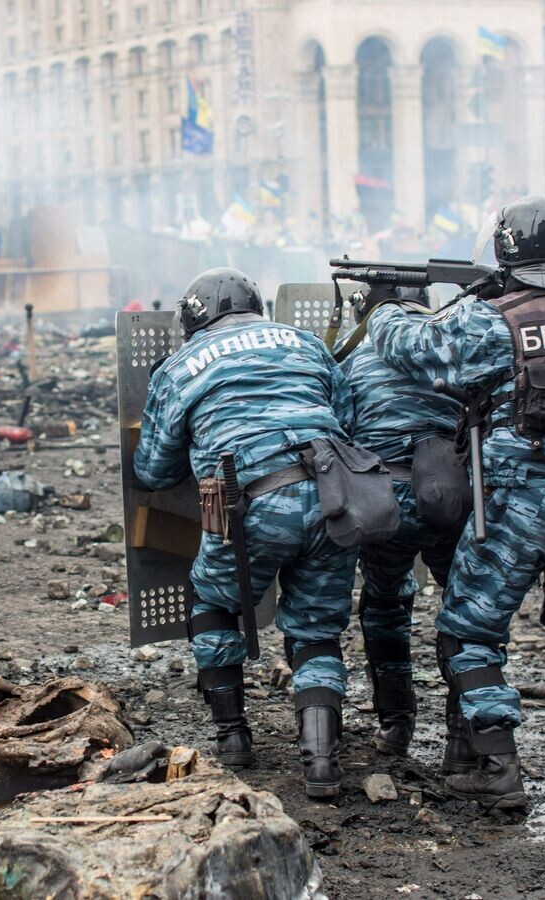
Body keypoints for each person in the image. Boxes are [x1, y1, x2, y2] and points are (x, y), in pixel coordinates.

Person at [364, 196, 545, 809]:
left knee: (470, 630)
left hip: (517, 499)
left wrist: (383, 308)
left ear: (507, 250)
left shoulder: (494, 320)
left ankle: (496, 766)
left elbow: (414, 348)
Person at [132, 267, 356, 799]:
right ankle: (321, 762)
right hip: (334, 496)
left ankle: (234, 739)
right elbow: (344, 419)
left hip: (249, 505)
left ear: (194, 318)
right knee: (317, 629)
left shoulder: (182, 364)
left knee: (212, 603)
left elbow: (153, 470)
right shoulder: (305, 344)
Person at [339, 286, 467, 761]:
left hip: (383, 499)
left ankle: (396, 724)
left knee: (385, 602)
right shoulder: (447, 353)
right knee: (466, 611)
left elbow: (340, 432)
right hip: (449, 497)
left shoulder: (354, 361)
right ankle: (464, 737)